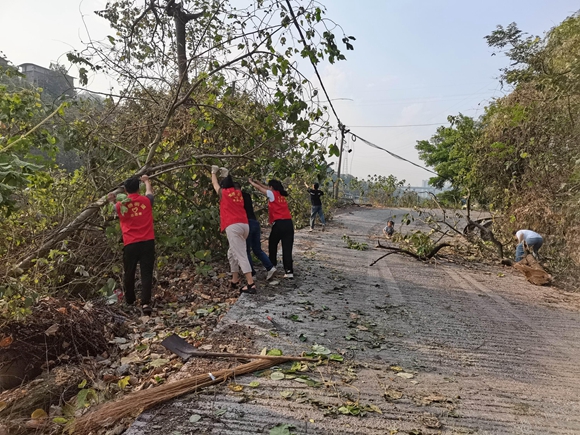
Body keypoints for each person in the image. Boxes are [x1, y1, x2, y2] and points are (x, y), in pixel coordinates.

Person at [107, 175, 155, 315]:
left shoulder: (121, 205)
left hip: (130, 243)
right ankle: (146, 303)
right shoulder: (146, 201)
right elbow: (150, 192)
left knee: (129, 272)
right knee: (146, 273)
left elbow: (113, 208)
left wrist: (111, 200)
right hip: (147, 241)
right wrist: (146, 181)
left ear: (125, 190)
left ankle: (130, 300)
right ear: (138, 188)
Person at [211, 166, 256, 294]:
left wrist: (213, 172)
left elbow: (214, 183)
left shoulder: (223, 193)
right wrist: (226, 174)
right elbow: (229, 183)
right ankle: (235, 279)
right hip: (244, 225)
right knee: (231, 253)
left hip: (233, 226)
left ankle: (251, 284)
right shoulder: (238, 193)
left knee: (241, 254)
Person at [248, 178, 295, 278]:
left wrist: (252, 183)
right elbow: (265, 188)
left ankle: (272, 264)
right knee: (287, 247)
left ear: (271, 188)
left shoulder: (272, 194)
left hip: (279, 223)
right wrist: (259, 182)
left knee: (272, 244)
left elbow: (261, 189)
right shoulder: (281, 194)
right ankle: (289, 271)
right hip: (288, 223)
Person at [234, 182, 277, 280]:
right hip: (254, 222)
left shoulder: (235, 197)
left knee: (246, 250)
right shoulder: (247, 195)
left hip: (246, 223)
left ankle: (252, 274)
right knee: (257, 249)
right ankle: (270, 267)